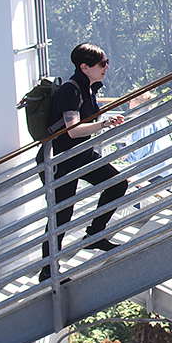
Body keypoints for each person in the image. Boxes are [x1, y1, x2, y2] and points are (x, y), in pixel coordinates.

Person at [48, 42, 128, 253]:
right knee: (61, 216)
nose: (106, 67)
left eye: (106, 62)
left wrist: (105, 121)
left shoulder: (88, 90)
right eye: (102, 63)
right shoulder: (71, 91)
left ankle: (94, 235)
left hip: (81, 154)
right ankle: (48, 271)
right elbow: (73, 130)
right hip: (65, 160)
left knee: (117, 184)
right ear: (84, 67)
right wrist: (104, 124)